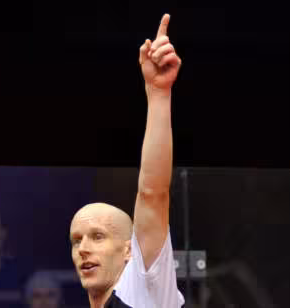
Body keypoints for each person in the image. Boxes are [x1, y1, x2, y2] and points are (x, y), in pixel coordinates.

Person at [68, 14, 184, 308]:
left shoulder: (144, 288)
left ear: (129, 250)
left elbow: (152, 194)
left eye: (97, 236)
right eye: (76, 240)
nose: (83, 249)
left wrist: (158, 94)